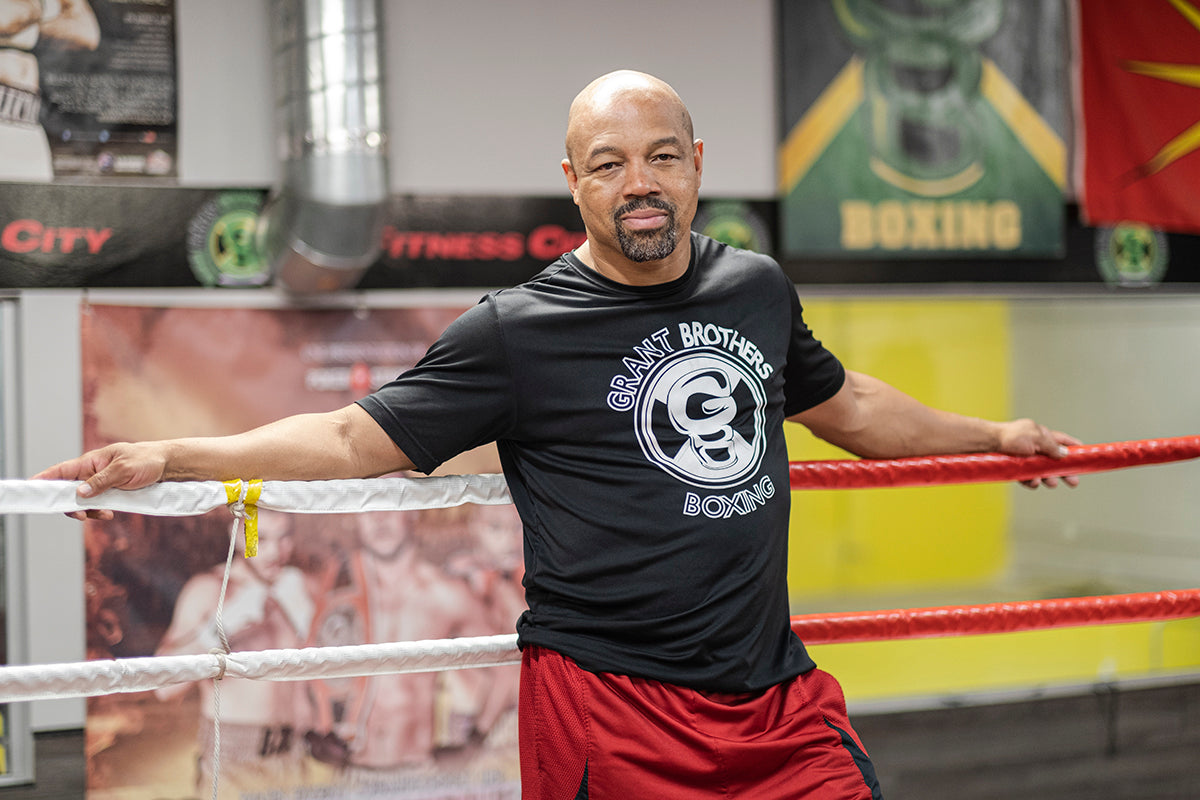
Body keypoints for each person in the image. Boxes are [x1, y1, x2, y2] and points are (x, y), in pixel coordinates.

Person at [37, 70, 1079, 799]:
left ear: (696, 163)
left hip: (773, 697)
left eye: (662, 156)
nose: (641, 182)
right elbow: (358, 440)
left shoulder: (754, 287)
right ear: (575, 179)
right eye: (612, 162)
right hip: (610, 704)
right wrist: (174, 455)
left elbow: (847, 406)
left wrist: (997, 433)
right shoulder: (517, 329)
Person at [153, 508, 315, 797]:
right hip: (231, 756)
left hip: (292, 754)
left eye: (284, 537)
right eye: (261, 539)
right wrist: (219, 629)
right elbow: (164, 687)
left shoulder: (293, 587)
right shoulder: (210, 590)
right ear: (236, 536)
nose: (275, 552)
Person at [0, 0, 99, 181]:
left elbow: (86, 33)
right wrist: (38, 8)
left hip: (25, 122)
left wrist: (25, 32)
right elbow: (6, 17)